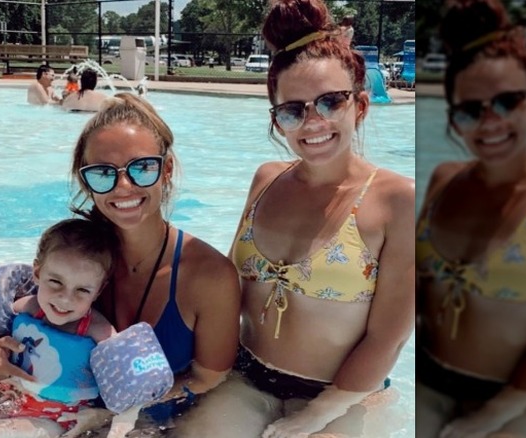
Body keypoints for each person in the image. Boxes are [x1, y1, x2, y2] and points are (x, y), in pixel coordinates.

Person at [172, 1, 415, 437]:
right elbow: (223, 288)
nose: (313, 121)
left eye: (330, 102)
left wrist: (315, 416)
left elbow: (388, 338)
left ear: (359, 105)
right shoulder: (266, 180)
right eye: (293, 109)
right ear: (277, 120)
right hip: (247, 376)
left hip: (340, 394)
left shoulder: (397, 202)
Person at [0, 93, 242, 430]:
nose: (123, 187)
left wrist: (114, 416)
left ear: (167, 170)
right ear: (86, 182)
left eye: (142, 168)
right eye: (103, 173)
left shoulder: (210, 277)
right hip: (48, 408)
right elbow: (21, 328)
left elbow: (209, 378)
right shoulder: (74, 258)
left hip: (151, 425)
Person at [415, 1, 526, 437]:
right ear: (455, 120)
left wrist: (483, 421)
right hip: (427, 378)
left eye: (507, 102)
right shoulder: (443, 180)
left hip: (516, 396)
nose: (489, 122)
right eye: (471, 110)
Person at [0, 219, 118, 436]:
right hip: (10, 394)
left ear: (99, 290)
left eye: (82, 290)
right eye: (56, 282)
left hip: (56, 415)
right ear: (37, 273)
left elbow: (124, 374)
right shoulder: (27, 307)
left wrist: (103, 416)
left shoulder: (98, 329)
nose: (65, 299)